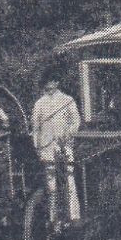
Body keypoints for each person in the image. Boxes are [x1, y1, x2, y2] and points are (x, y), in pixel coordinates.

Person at [30, 74, 82, 230]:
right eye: (47, 83)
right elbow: (35, 128)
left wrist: (69, 133)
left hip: (63, 146)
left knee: (69, 180)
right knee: (51, 184)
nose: (49, 85)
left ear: (57, 82)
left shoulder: (67, 100)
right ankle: (54, 219)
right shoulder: (39, 103)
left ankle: (74, 217)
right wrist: (37, 147)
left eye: (52, 81)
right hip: (46, 147)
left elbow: (76, 120)